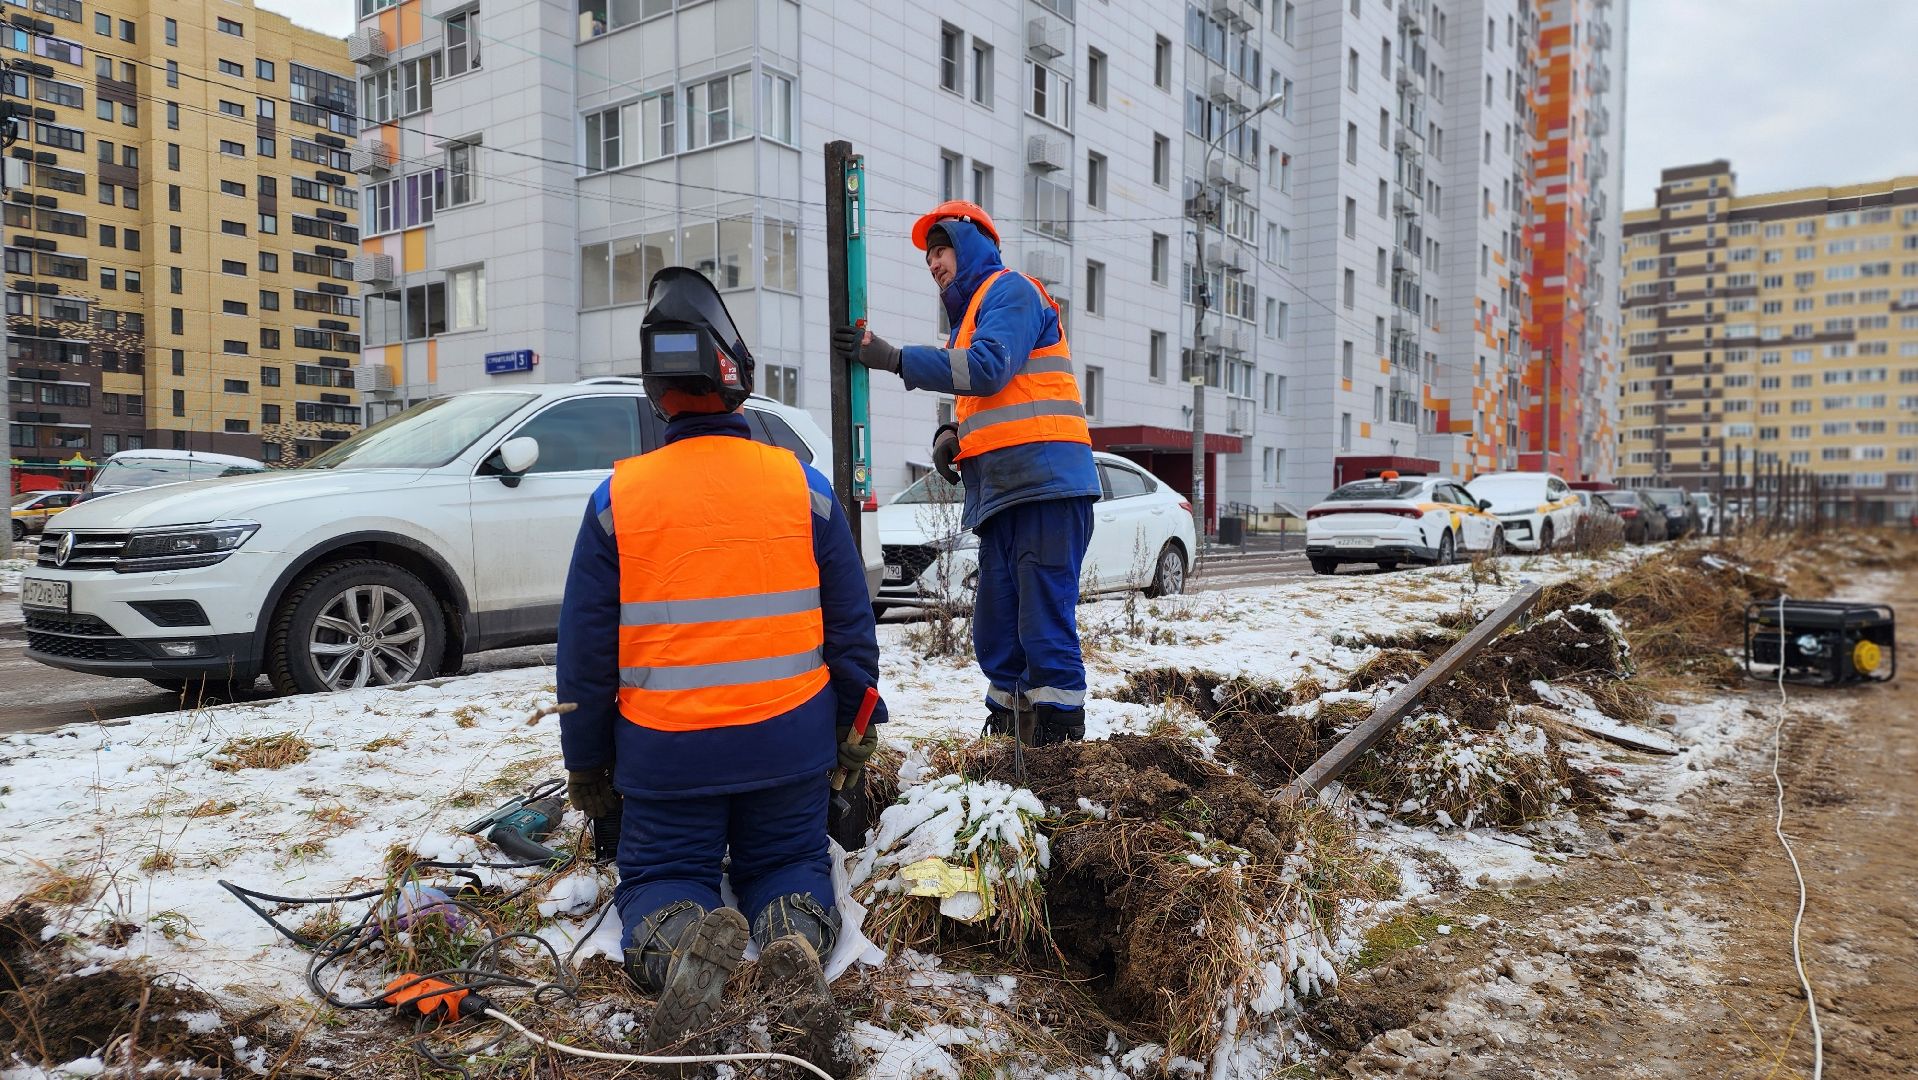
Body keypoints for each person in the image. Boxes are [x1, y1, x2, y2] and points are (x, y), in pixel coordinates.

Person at [557, 267, 883, 1073]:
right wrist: (857, 733)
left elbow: (585, 661)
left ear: (656, 393)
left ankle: (675, 951)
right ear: (738, 381)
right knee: (789, 862)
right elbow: (852, 633)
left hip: (666, 760)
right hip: (790, 750)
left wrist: (588, 767)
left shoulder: (617, 501)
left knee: (665, 872)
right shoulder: (802, 489)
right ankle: (794, 941)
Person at [832, 200, 1100, 747]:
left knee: (1043, 628)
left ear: (972, 241)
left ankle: (1056, 748)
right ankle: (1007, 739)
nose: (932, 263)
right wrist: (953, 436)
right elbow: (993, 395)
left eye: (941, 247)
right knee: (998, 632)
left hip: (1045, 487)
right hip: (1006, 494)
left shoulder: (1011, 291)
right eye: (928, 255)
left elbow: (988, 369)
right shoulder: (973, 316)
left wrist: (893, 357)